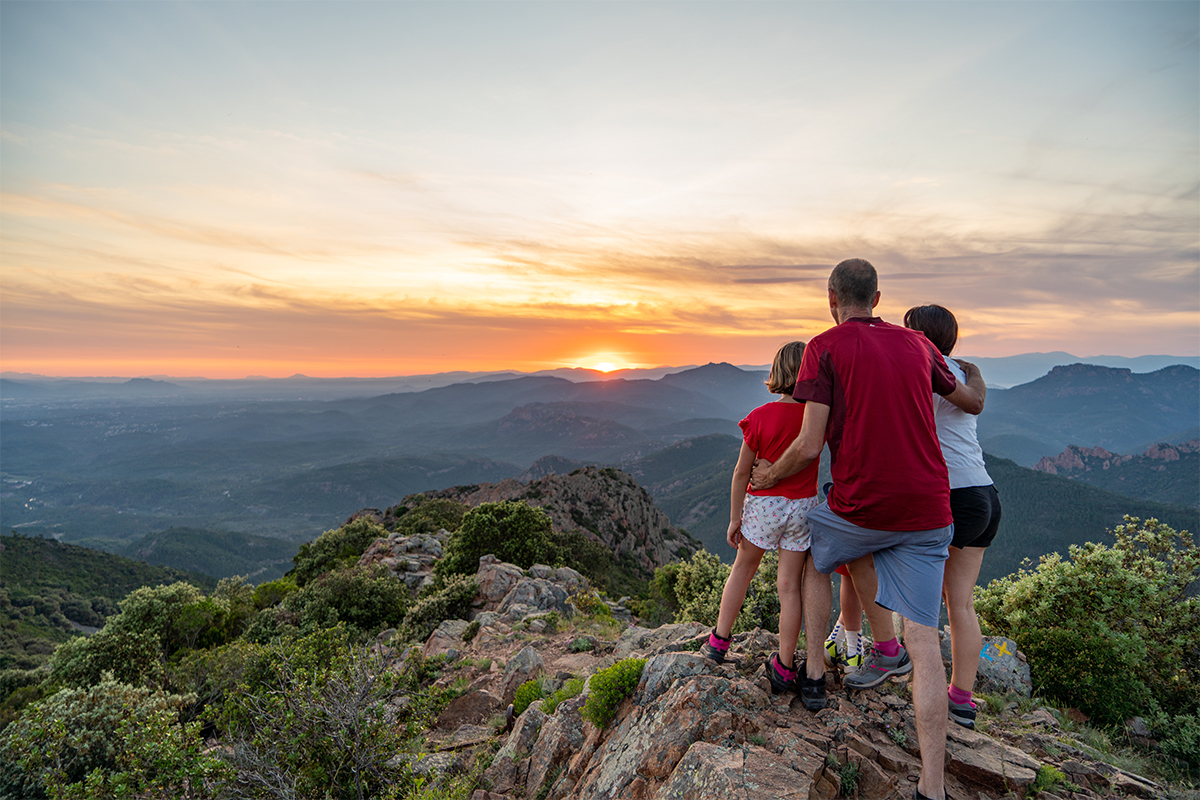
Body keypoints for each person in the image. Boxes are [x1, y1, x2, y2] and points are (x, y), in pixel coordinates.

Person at [750, 259, 984, 800]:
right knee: (925, 640)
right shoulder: (919, 346)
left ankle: (811, 671)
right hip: (930, 509)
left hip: (860, 507)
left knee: (812, 551)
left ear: (831, 297)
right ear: (878, 298)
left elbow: (809, 445)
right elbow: (970, 401)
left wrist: (768, 473)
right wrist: (974, 372)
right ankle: (932, 787)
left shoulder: (823, 347)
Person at [703, 341, 828, 711]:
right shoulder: (816, 419)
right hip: (803, 509)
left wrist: (734, 517)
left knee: (742, 570)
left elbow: (742, 472)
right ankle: (785, 666)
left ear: (777, 372)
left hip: (764, 508)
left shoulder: (759, 417)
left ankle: (719, 643)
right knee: (789, 587)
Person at [904, 304, 1002, 731]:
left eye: (907, 329)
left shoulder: (917, 371)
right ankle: (963, 700)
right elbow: (975, 400)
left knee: (920, 604)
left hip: (950, 496)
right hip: (984, 492)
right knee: (960, 603)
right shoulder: (961, 373)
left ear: (920, 335)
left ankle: (917, 684)